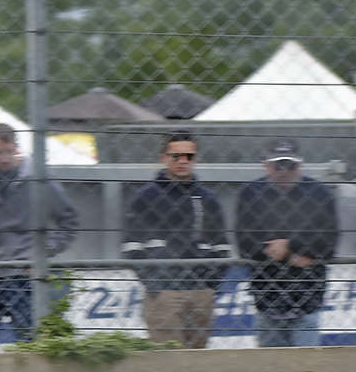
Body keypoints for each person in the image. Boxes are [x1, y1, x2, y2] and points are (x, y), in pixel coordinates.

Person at [0, 121, 81, 350]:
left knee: (31, 343)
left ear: (16, 146)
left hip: (24, 272)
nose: (5, 158)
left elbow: (69, 222)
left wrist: (42, 253)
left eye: (9, 151)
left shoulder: (38, 179)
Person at [122, 130, 229, 349]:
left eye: (188, 156)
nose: (183, 161)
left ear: (195, 159)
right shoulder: (145, 197)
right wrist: (155, 286)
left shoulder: (208, 199)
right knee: (166, 362)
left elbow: (222, 246)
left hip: (200, 293)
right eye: (176, 156)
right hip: (164, 294)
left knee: (198, 362)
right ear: (163, 158)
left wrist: (210, 286)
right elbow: (131, 246)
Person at [232, 139, 337, 347]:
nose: (284, 171)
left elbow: (328, 244)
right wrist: (297, 255)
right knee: (271, 371)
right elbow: (245, 244)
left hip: (308, 297)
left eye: (290, 164)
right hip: (267, 297)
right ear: (266, 165)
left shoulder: (319, 193)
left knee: (307, 367)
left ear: (300, 164)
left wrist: (286, 248)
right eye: (278, 164)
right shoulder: (251, 193)